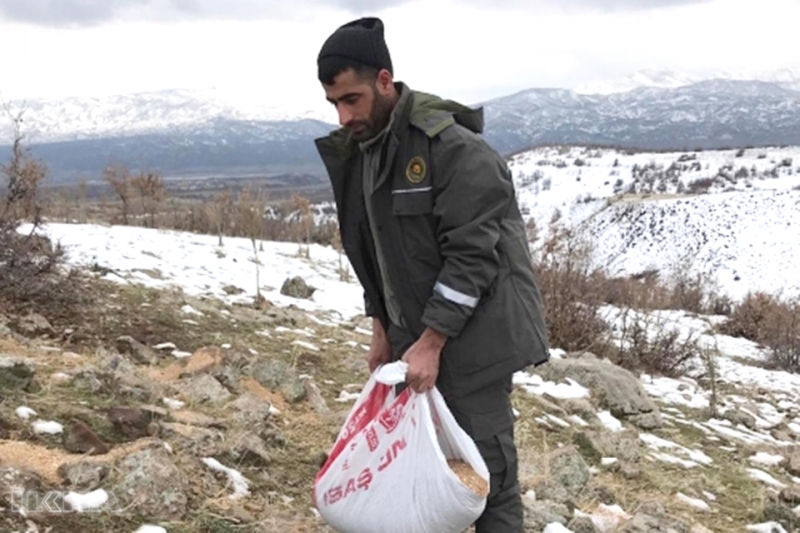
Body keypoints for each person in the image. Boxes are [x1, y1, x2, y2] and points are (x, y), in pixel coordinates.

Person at [314, 17, 550, 532]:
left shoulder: (451, 150)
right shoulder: (365, 153)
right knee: (420, 469)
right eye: (334, 103)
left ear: (384, 80)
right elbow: (372, 250)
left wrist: (433, 340)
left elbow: (473, 256)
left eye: (351, 99)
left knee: (488, 479)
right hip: (413, 337)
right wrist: (382, 327)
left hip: (476, 338)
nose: (343, 114)